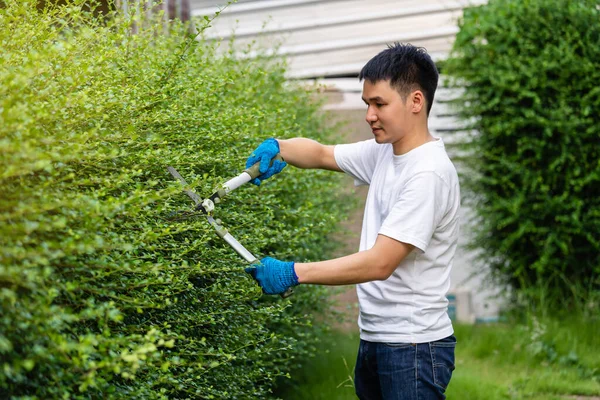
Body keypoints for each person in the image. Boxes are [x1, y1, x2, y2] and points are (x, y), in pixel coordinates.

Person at [244, 43, 460, 400]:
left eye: (379, 104)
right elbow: (322, 153)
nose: (369, 115)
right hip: (377, 337)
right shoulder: (385, 153)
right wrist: (278, 147)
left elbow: (380, 262)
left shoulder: (428, 174)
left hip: (413, 346)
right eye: (367, 104)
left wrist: (293, 272)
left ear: (416, 102)